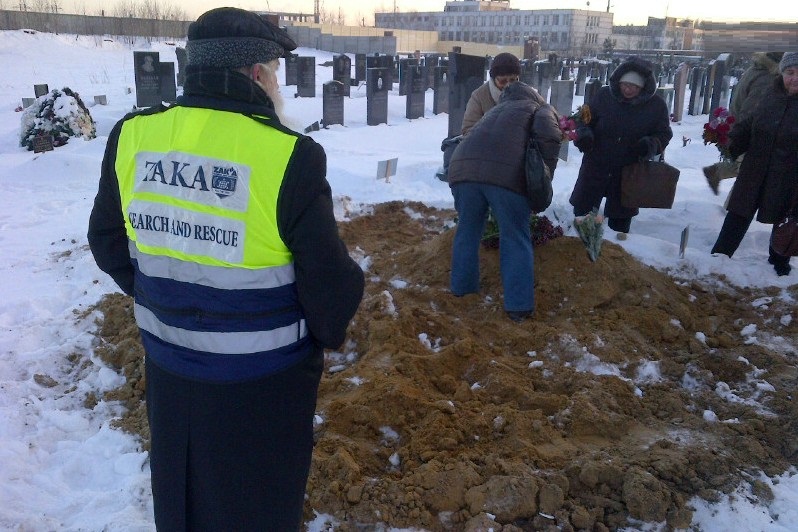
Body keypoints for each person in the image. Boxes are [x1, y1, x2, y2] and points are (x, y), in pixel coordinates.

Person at [87, 7, 364, 531]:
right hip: (263, 386)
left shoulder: (133, 135)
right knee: (254, 508)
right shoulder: (288, 155)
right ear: (256, 73)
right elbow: (330, 287)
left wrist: (161, 297)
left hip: (170, 372)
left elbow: (106, 242)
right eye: (275, 72)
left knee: (181, 502)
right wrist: (325, 330)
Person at [447, 81, 561, 322]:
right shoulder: (539, 108)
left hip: (462, 173)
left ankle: (462, 289)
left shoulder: (493, 112)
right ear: (533, 95)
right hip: (504, 178)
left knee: (467, 231)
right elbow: (549, 139)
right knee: (515, 236)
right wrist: (542, 179)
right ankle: (518, 306)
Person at [710, 51, 798, 276]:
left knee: (785, 218)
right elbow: (749, 124)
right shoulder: (770, 95)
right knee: (739, 212)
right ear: (782, 73)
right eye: (790, 72)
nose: (794, 78)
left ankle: (779, 265)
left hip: (788, 175)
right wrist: (729, 140)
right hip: (755, 169)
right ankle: (719, 257)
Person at [569, 56, 673, 238]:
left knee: (619, 226)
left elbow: (664, 134)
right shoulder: (603, 96)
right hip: (596, 165)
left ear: (643, 87)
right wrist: (583, 135)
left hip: (629, 170)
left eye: (634, 86)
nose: (628, 89)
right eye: (625, 84)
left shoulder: (656, 106)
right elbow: (582, 119)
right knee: (582, 218)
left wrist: (650, 145)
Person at [703, 52, 784, 194]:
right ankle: (729, 209)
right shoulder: (767, 77)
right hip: (751, 134)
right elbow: (751, 112)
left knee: (746, 174)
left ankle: (716, 172)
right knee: (748, 181)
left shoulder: (760, 69)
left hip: (743, 131)